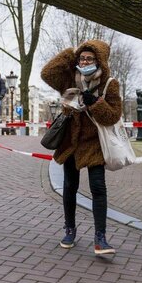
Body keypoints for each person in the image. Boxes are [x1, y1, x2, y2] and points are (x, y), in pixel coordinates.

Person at [41, 39, 122, 255]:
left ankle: (100, 238)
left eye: (90, 59)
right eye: (82, 58)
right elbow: (47, 73)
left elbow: (113, 115)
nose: (85, 62)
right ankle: (69, 229)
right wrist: (71, 54)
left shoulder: (109, 83)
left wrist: (95, 102)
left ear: (100, 61)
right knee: (69, 187)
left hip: (94, 142)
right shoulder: (69, 79)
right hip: (71, 140)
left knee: (98, 188)